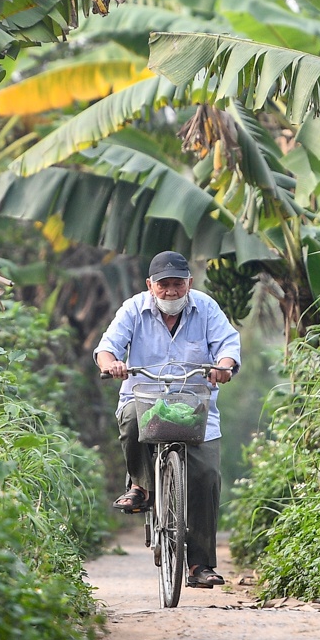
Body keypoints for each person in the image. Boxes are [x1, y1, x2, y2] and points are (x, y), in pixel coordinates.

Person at [94, 250, 240, 590]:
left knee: (206, 477)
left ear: (189, 283)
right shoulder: (133, 309)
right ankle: (141, 487)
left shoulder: (206, 308)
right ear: (150, 285)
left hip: (194, 407)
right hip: (144, 400)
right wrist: (111, 364)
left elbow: (228, 346)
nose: (171, 291)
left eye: (178, 284)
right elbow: (107, 347)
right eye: (164, 285)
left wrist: (224, 366)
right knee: (131, 419)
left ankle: (200, 565)